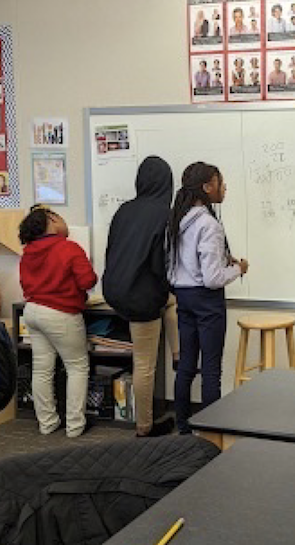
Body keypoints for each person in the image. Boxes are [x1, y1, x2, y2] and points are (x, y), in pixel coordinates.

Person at [167, 162, 249, 434]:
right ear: (207, 187)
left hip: (183, 296)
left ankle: (183, 429)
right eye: (220, 183)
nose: (224, 187)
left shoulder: (179, 220)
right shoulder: (209, 224)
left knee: (186, 366)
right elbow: (213, 278)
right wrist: (238, 269)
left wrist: (224, 259)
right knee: (211, 370)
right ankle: (211, 434)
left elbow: (182, 263)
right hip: (206, 301)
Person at [103, 157, 179, 438]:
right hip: (140, 296)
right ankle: (144, 427)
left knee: (171, 303)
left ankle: (177, 353)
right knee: (144, 363)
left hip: (114, 289)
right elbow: (161, 264)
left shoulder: (124, 210)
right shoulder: (165, 214)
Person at [19, 205, 98, 437]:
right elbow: (87, 281)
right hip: (60, 314)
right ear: (51, 221)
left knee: (42, 369)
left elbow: (25, 283)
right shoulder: (69, 248)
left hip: (32, 312)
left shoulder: (28, 251)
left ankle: (47, 423)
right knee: (77, 367)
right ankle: (75, 426)